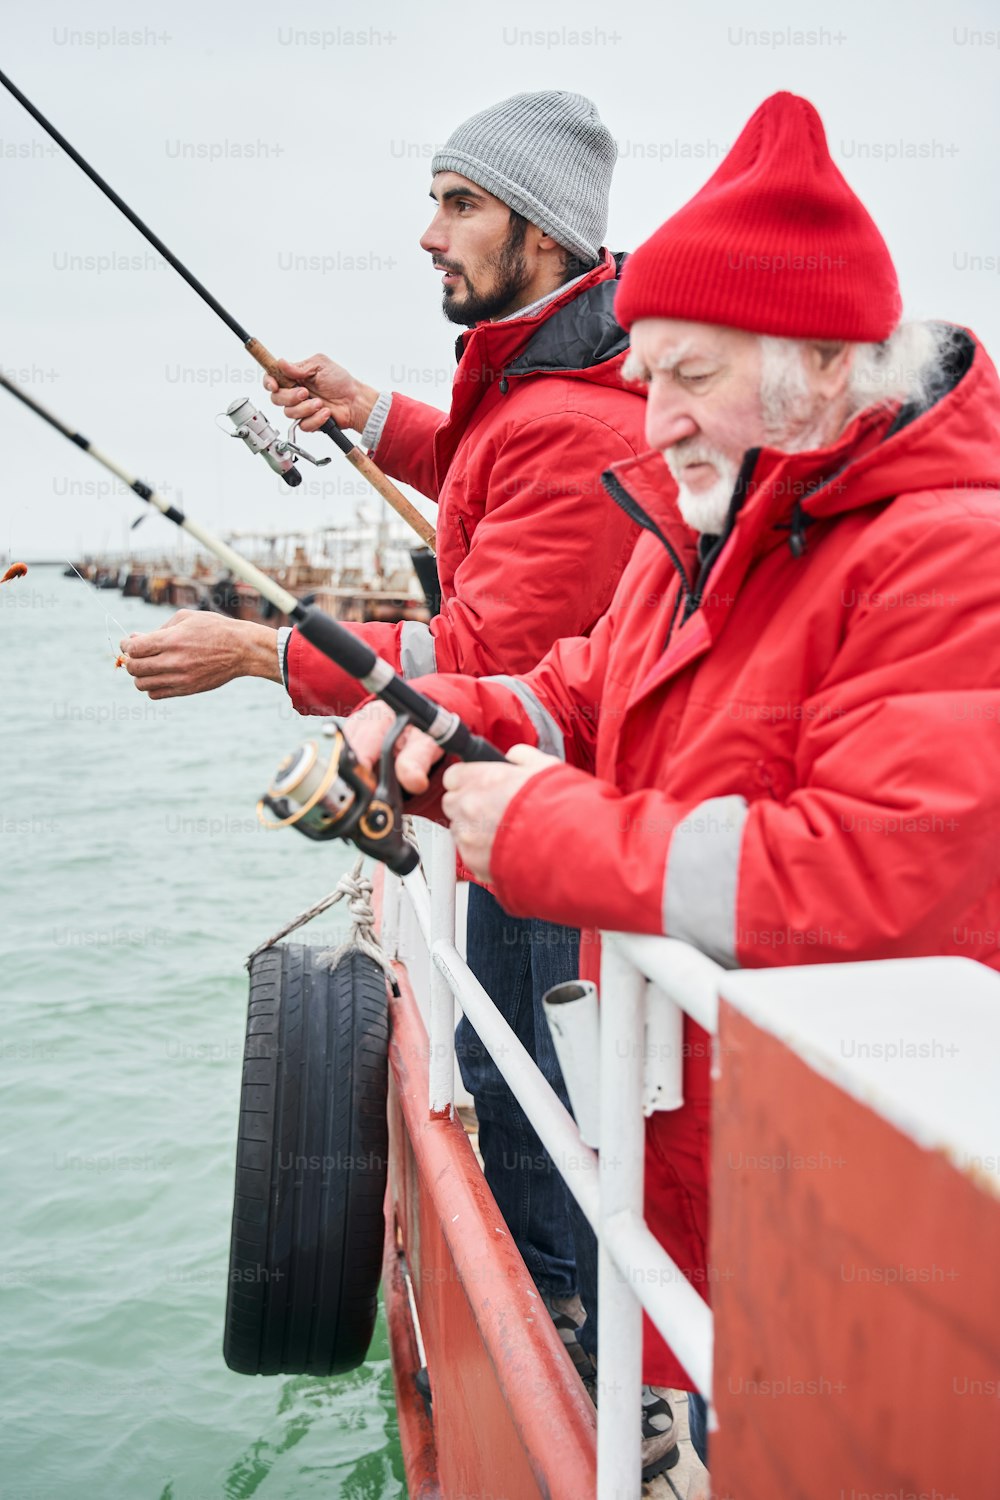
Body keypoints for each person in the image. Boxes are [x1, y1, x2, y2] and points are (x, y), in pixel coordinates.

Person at [339, 91, 1000, 1471]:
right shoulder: (715, 506)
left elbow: (870, 878)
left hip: (862, 1194)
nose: (654, 413)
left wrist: (547, 832)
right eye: (645, 370)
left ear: (821, 367)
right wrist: (435, 719)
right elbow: (579, 692)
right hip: (699, 1143)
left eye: (688, 374)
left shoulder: (949, 553)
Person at [120, 91, 665, 1466]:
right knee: (511, 1059)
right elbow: (488, 455)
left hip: (541, 807)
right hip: (527, 798)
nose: (428, 233)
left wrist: (258, 649)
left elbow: (475, 656)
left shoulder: (575, 415)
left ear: (543, 235)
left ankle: (578, 1343)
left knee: (523, 1072)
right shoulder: (547, 366)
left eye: (459, 204)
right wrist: (372, 410)